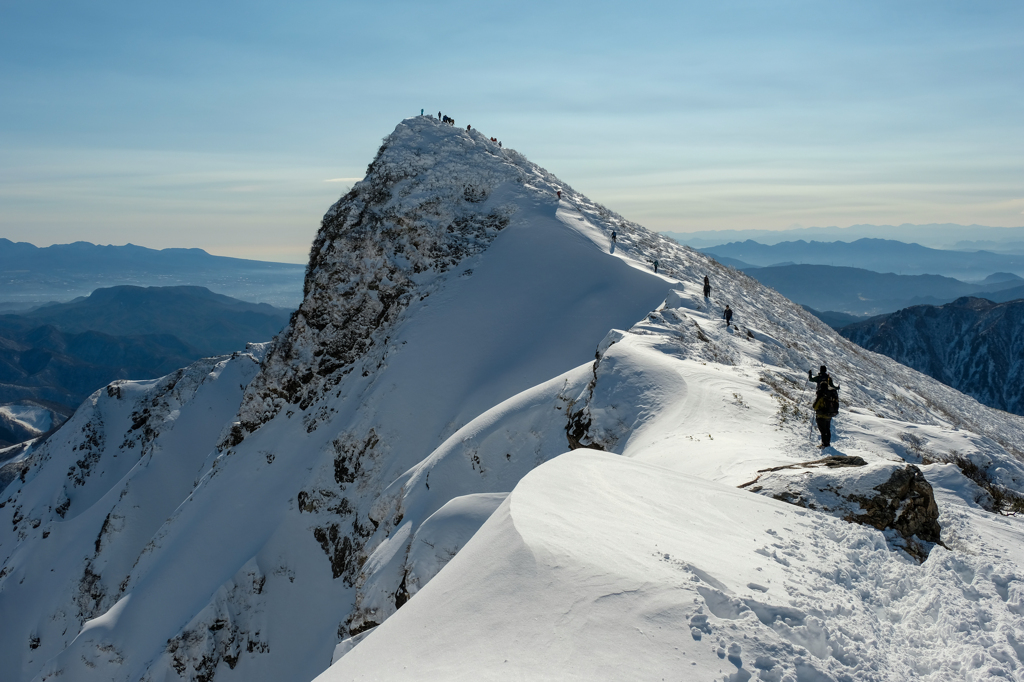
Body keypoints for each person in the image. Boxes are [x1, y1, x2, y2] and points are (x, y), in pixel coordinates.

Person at [812, 377, 840, 447]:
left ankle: (824, 444)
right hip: (829, 415)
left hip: (821, 416)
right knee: (827, 429)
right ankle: (827, 443)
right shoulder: (830, 395)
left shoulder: (821, 395)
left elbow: (815, 407)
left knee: (823, 431)